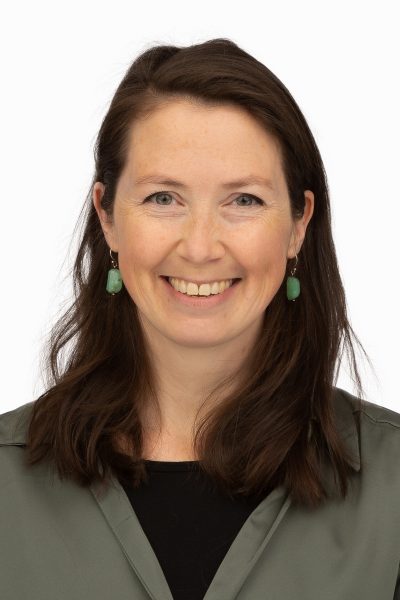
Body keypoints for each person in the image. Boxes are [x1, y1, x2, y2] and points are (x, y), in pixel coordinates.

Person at [1, 38, 399, 600]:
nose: (200, 247)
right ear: (107, 217)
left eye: (244, 200)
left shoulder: (392, 486)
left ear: (298, 224)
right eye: (164, 198)